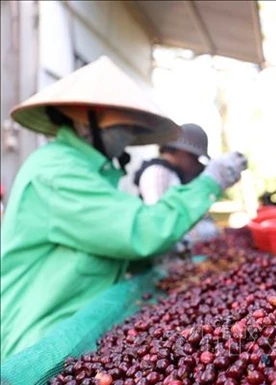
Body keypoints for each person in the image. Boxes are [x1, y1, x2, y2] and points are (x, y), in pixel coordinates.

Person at [0, 56, 247, 359]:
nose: (129, 137)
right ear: (85, 119)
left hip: (77, 334)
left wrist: (155, 261)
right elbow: (141, 230)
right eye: (123, 127)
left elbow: (96, 251)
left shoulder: (89, 171)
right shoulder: (57, 171)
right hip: (41, 346)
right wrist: (210, 183)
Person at [134, 123, 219, 245]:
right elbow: (158, 224)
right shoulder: (158, 173)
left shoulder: (172, 173)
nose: (196, 163)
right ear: (183, 151)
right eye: (195, 157)